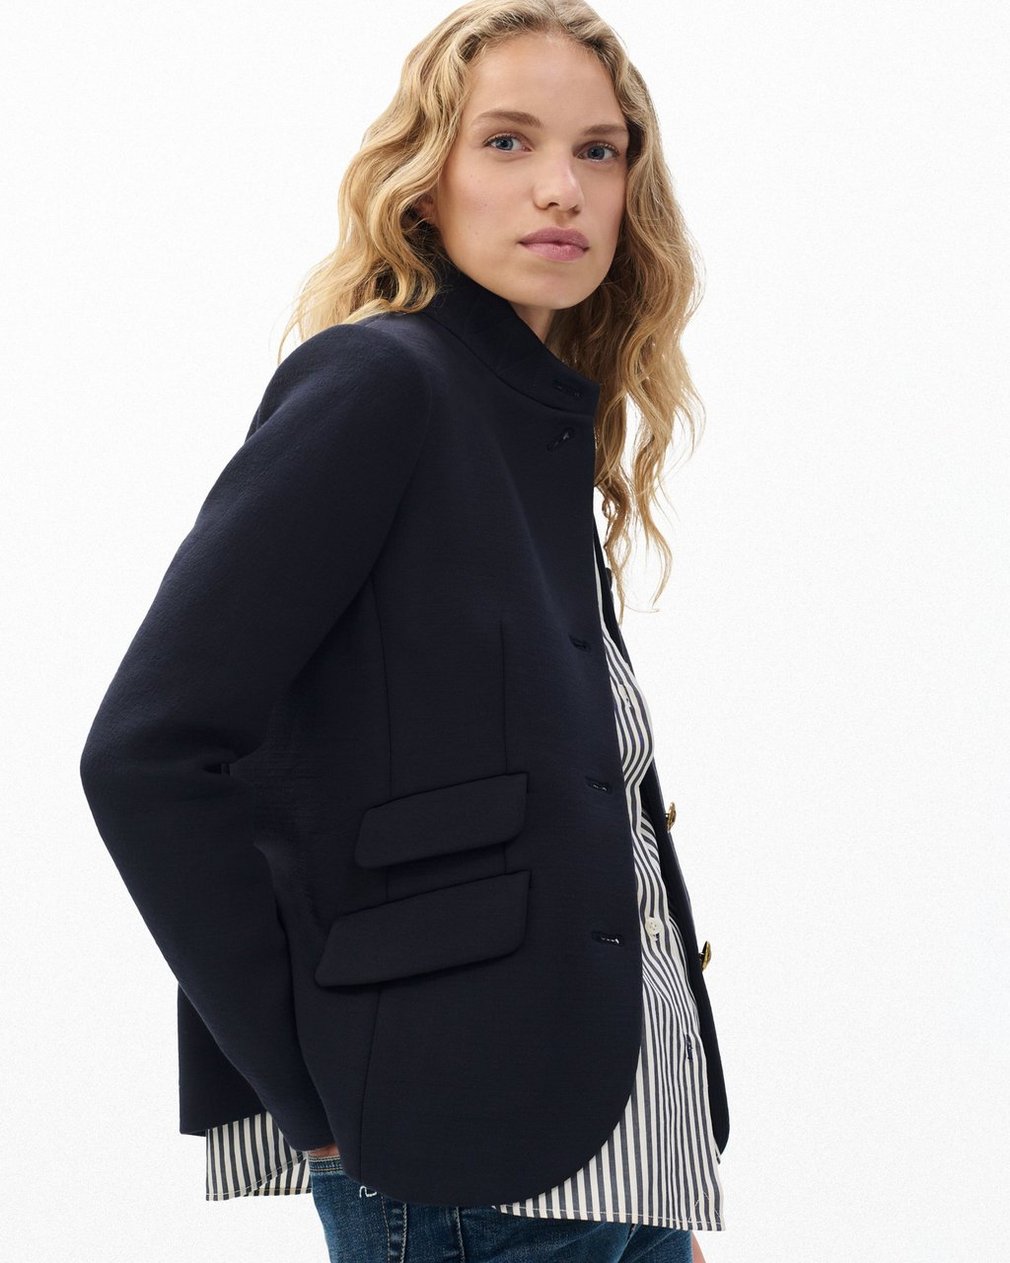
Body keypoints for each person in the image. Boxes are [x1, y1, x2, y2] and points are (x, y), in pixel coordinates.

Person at [80, 2, 730, 1260]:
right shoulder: (381, 382)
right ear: (424, 180)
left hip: (615, 1145)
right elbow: (147, 753)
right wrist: (316, 1097)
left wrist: (656, 1187)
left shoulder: (531, 423)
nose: (561, 188)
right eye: (506, 141)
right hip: (458, 1149)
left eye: (598, 150)